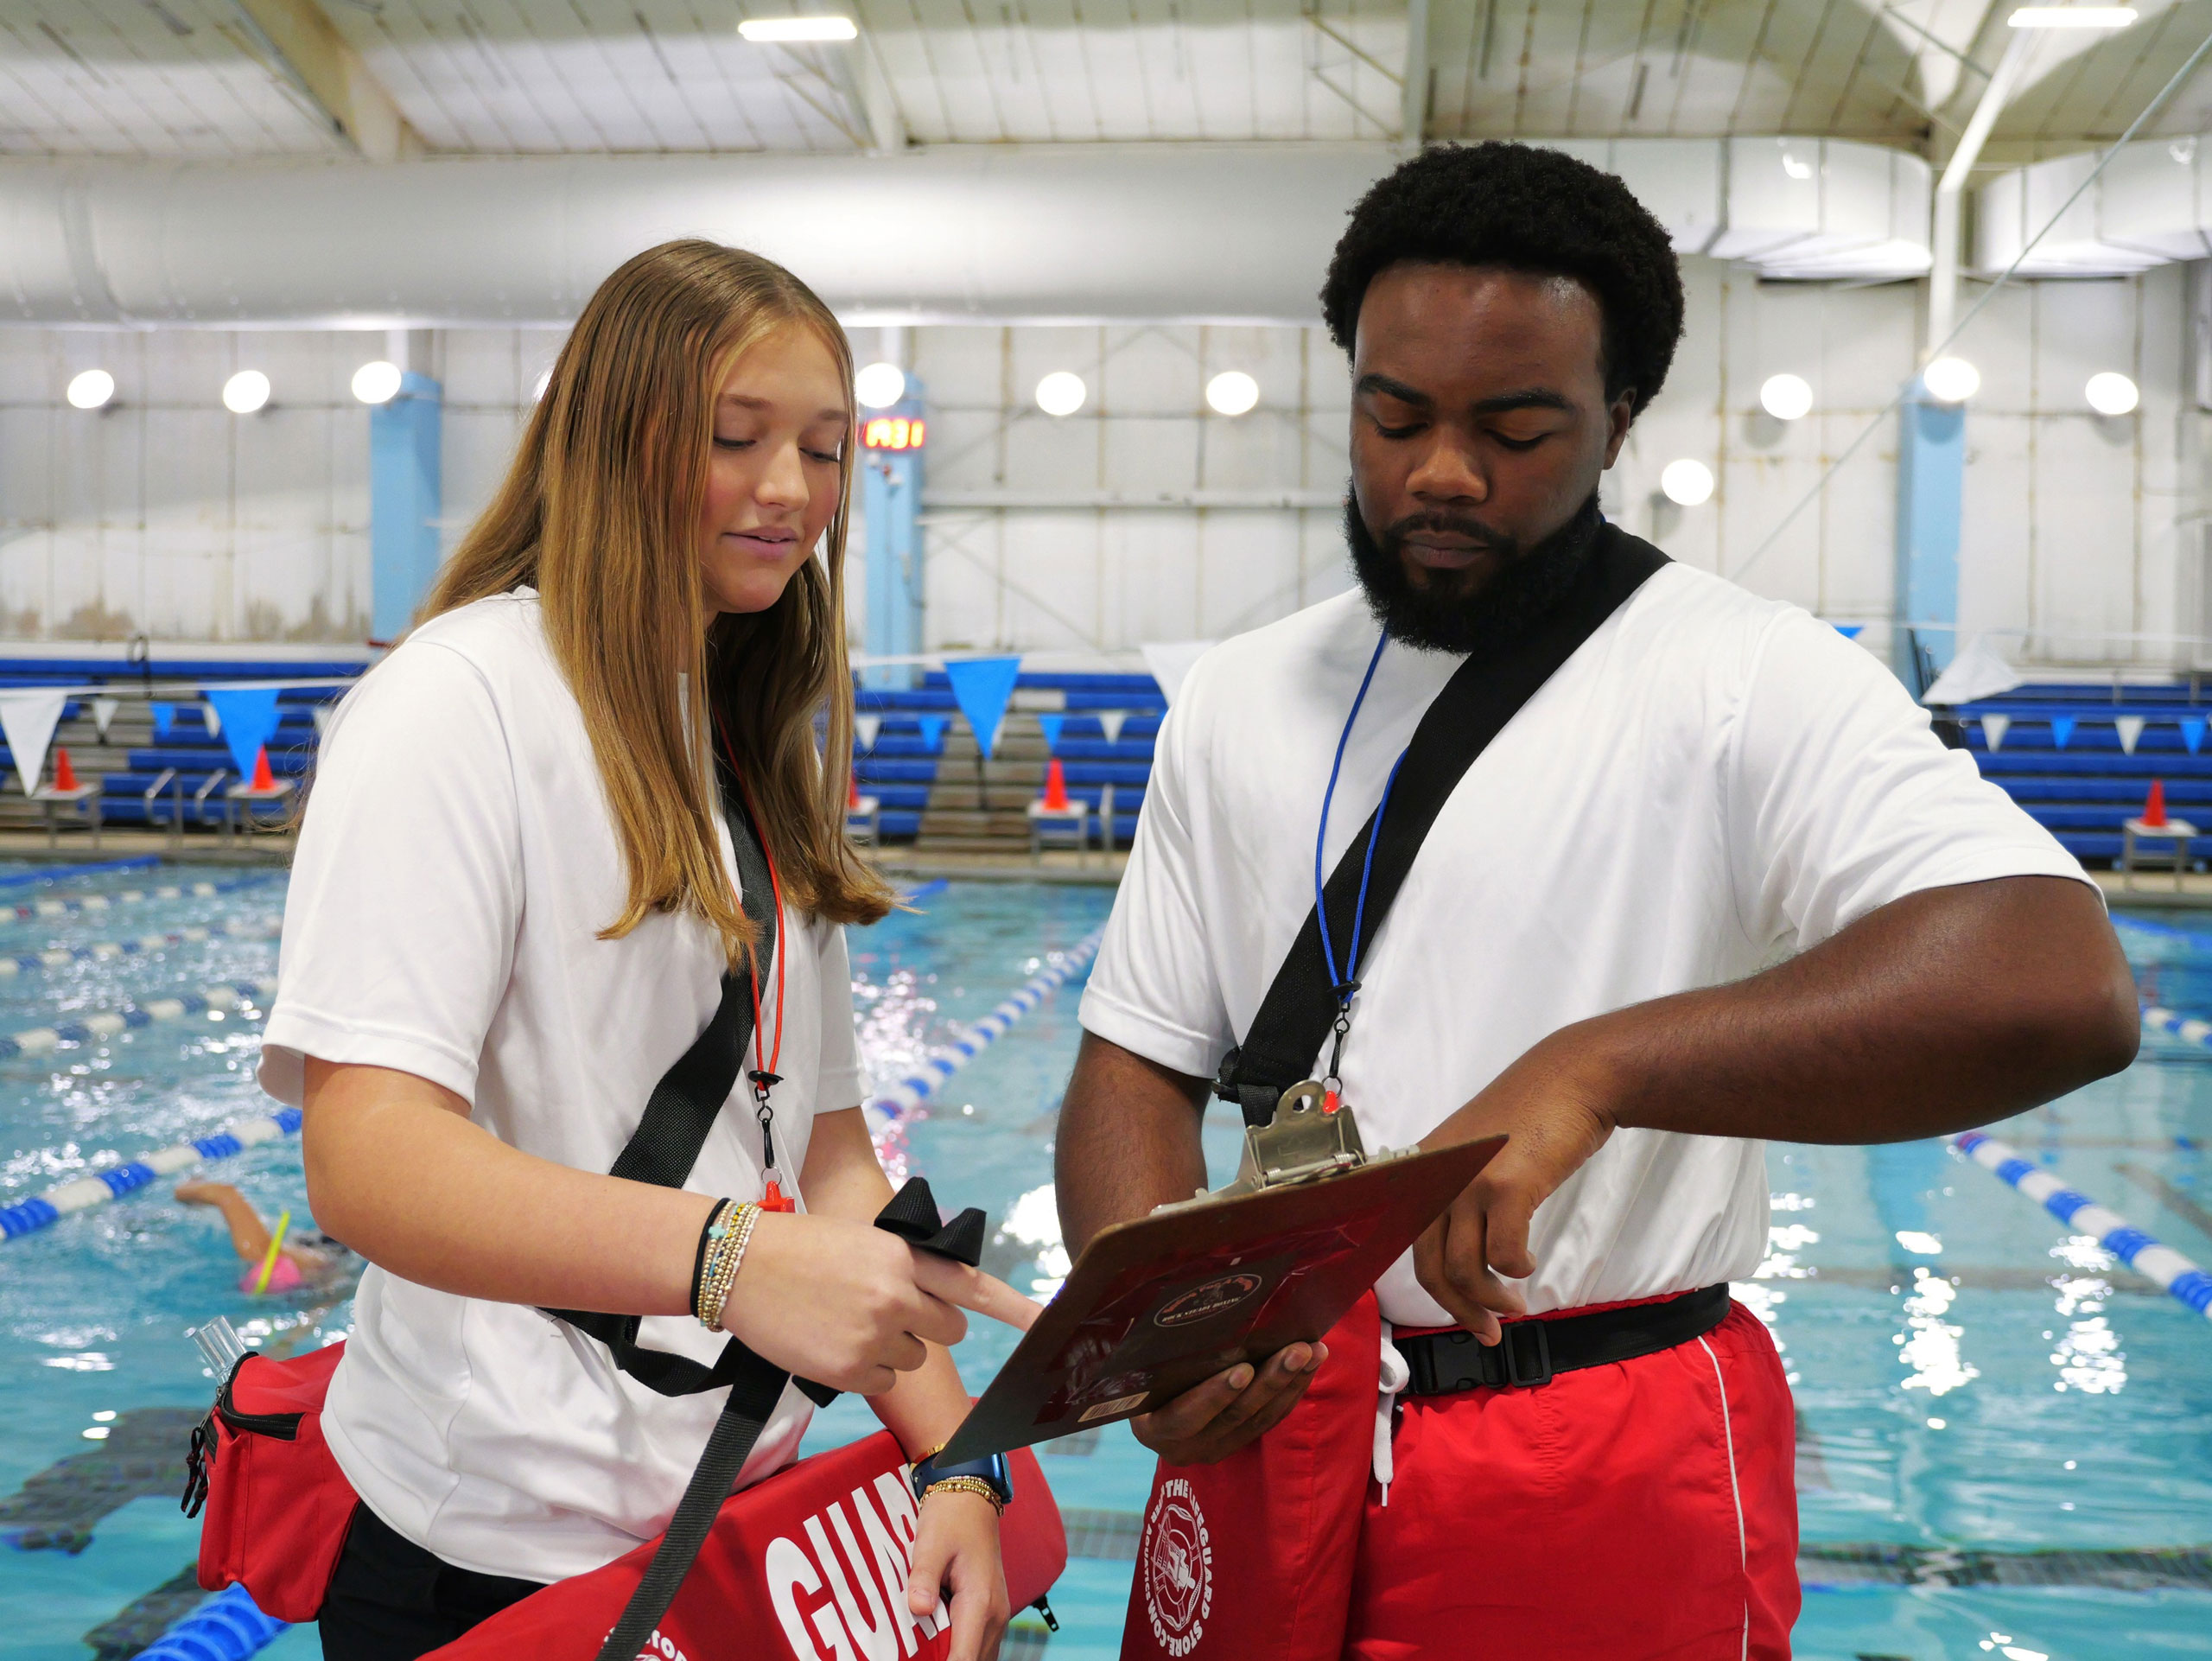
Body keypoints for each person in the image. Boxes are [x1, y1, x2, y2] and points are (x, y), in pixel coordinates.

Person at [1055, 143, 2139, 1658]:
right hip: (1277, 1429)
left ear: (1618, 420)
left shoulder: (1744, 678)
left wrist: (1601, 1065)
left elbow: (2057, 979)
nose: (1441, 470)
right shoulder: (1238, 695)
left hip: (1592, 1446)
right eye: (1393, 415)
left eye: (1514, 429)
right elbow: (1139, 1052)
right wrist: (1153, 1336)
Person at [260, 240, 1033, 1661]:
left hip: (742, 1527)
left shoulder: (742, 746)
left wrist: (957, 1453)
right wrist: (733, 1259)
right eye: (737, 438)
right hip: (493, 1558)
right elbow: (365, 1156)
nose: (791, 489)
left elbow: (832, 1156)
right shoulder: (455, 708)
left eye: (822, 446)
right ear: (616, 437)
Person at [175, 1178, 347, 1295]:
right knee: (227, 1196)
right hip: (329, 1252)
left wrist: (287, 1342)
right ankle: (201, 1189)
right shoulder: (323, 1265)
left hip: (327, 1252)